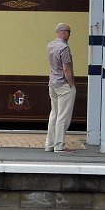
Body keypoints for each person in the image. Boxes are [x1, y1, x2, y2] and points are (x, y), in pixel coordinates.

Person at [45, 23, 76, 152]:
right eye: (69, 32)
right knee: (63, 116)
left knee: (54, 114)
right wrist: (71, 84)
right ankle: (59, 146)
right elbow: (66, 68)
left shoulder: (50, 45)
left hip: (52, 84)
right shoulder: (64, 48)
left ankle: (49, 144)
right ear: (63, 32)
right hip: (63, 85)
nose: (69, 35)